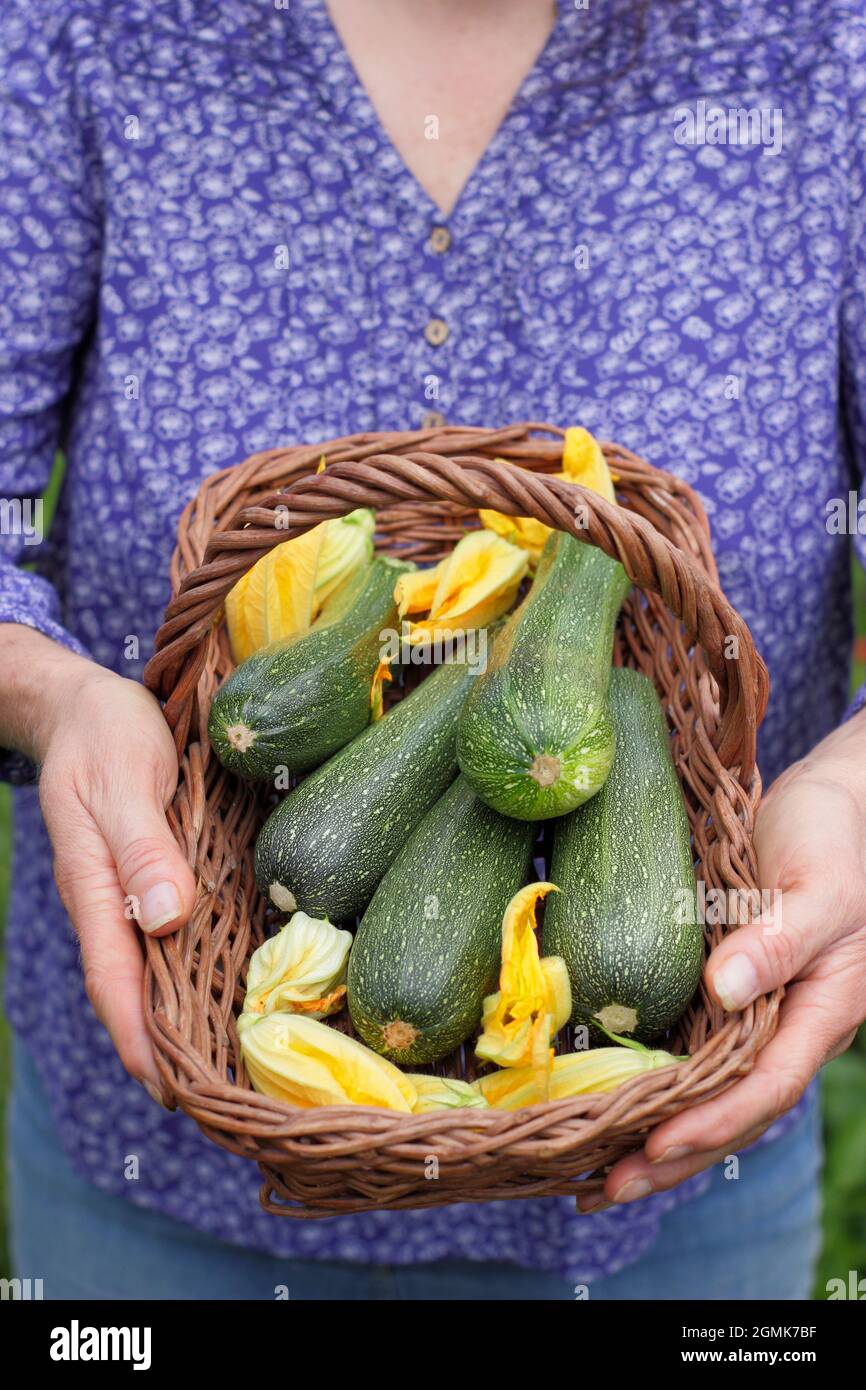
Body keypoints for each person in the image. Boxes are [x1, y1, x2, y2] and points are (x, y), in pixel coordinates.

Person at [1, 0, 863, 1301]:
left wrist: (852, 791)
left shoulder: (826, 41)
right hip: (158, 1175)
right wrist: (55, 696)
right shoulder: (80, 26)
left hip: (669, 1193)